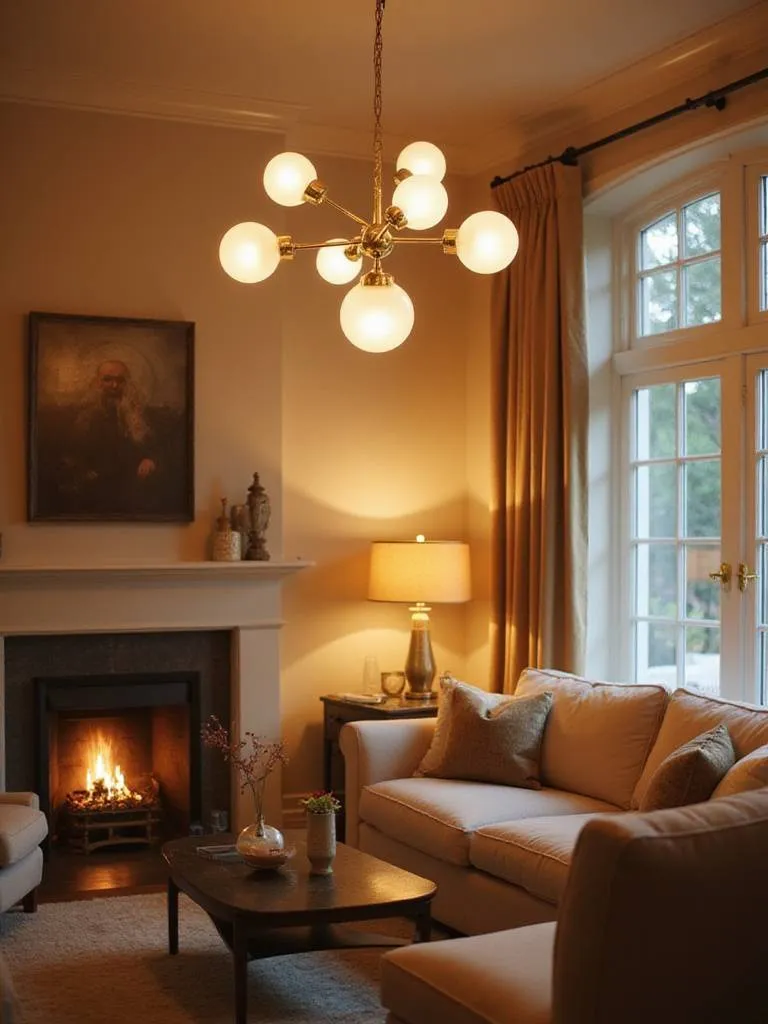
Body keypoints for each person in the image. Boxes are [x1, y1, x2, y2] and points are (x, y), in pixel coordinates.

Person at [35, 358, 188, 518]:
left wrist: (151, 459)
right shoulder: (79, 415)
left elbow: (159, 448)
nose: (114, 386)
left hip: (131, 492)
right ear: (97, 383)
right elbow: (67, 453)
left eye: (120, 381)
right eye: (108, 380)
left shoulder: (143, 417)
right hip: (90, 491)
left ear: (127, 384)